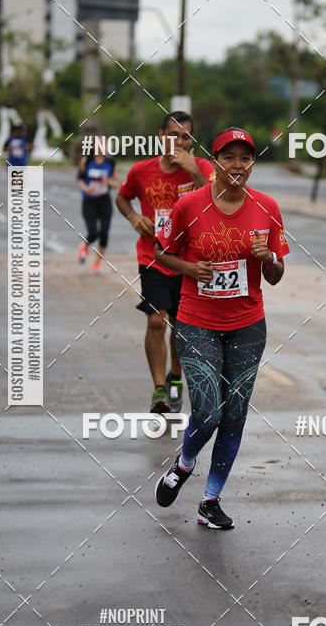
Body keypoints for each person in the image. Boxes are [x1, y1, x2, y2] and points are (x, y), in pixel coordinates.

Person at [153, 127, 289, 529]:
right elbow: (162, 252)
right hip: (197, 323)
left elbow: (277, 275)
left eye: (244, 158)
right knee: (209, 412)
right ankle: (183, 465)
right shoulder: (189, 205)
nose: (237, 166)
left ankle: (210, 501)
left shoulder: (267, 208)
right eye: (228, 157)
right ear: (214, 163)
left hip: (248, 325)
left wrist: (268, 260)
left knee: (235, 416)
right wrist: (190, 269)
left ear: (252, 163)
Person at [115, 111, 215, 414]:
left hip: (189, 260)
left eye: (186, 136)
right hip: (153, 256)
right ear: (161, 137)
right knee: (156, 320)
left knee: (181, 327)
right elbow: (122, 197)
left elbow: (214, 199)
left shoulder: (203, 168)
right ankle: (159, 389)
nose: (180, 141)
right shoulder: (141, 171)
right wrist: (134, 217)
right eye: (173, 135)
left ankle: (175, 377)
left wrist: (193, 171)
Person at [77, 142, 118, 272]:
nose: (103, 147)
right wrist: (86, 189)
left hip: (104, 201)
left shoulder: (111, 162)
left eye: (105, 144)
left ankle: (96, 263)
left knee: (104, 233)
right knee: (93, 233)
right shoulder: (86, 160)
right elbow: (80, 179)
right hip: (89, 201)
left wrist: (109, 182)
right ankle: (84, 245)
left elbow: (116, 183)